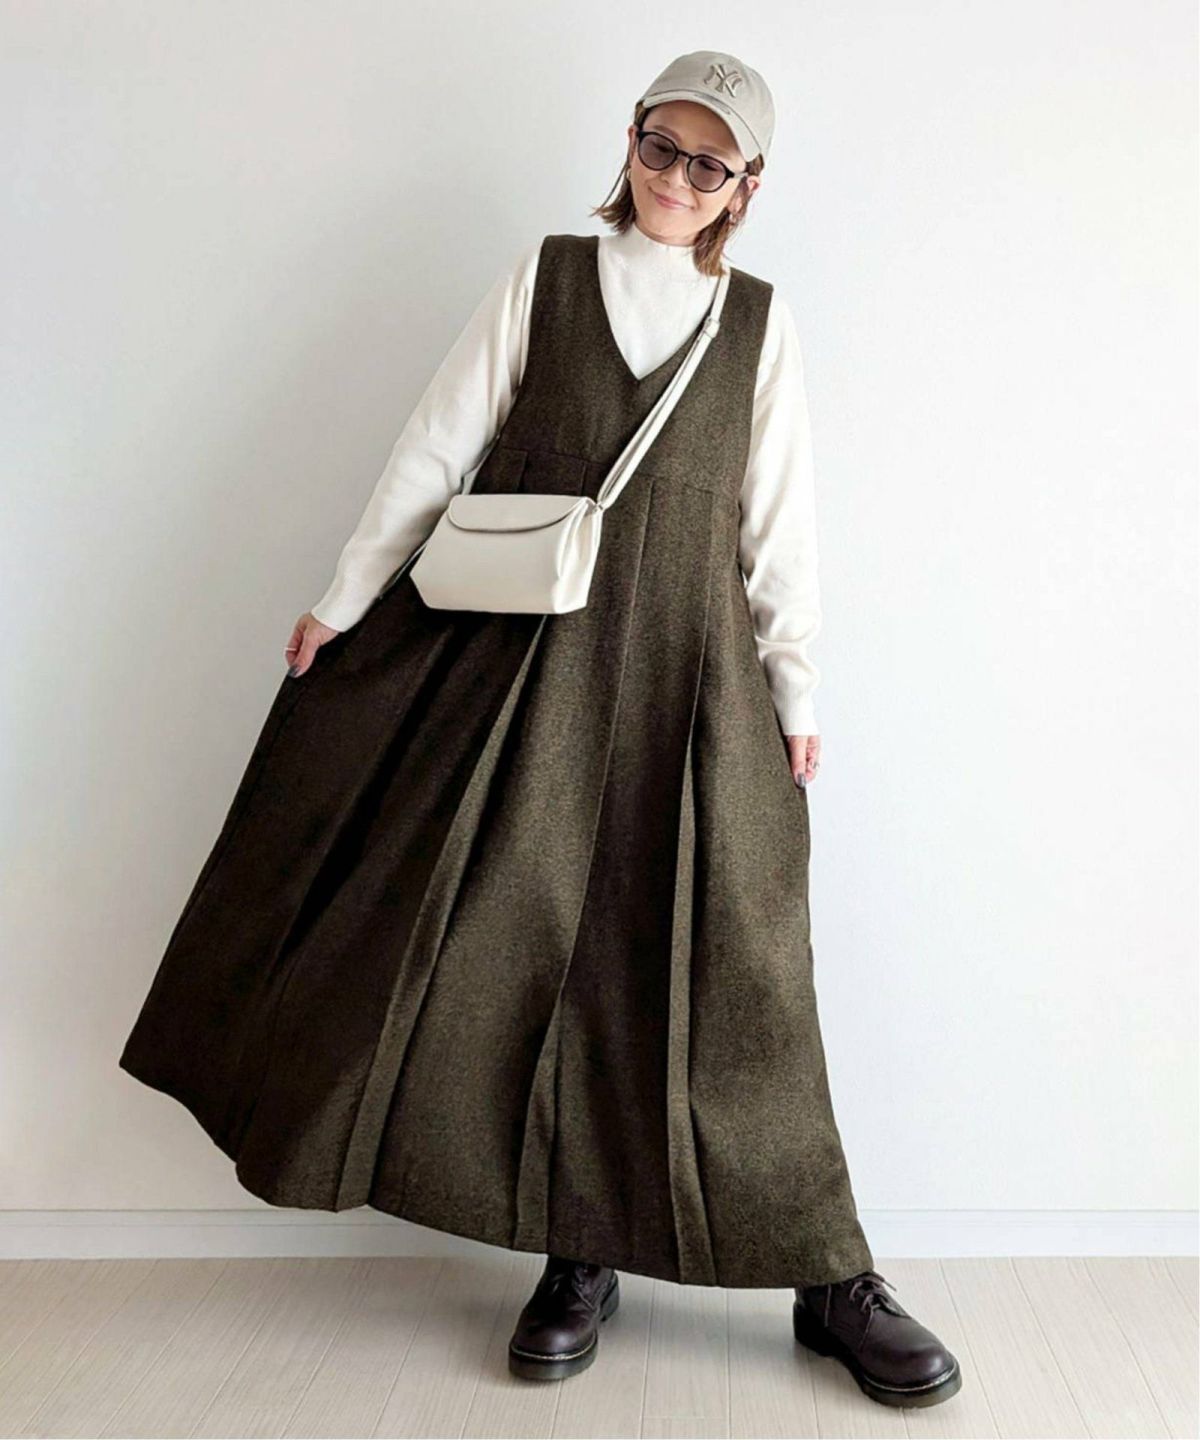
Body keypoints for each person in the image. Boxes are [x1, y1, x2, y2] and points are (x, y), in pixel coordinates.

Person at [118, 50, 961, 1412]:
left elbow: (779, 526)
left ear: (746, 186)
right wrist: (344, 600)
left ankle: (827, 1273)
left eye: (708, 162)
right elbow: (436, 446)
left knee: (739, 971)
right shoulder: (549, 276)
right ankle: (578, 1255)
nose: (676, 176)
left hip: (693, 677)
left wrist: (797, 696)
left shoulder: (758, 323)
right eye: (660, 145)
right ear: (630, 140)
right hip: (525, 671)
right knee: (512, 943)